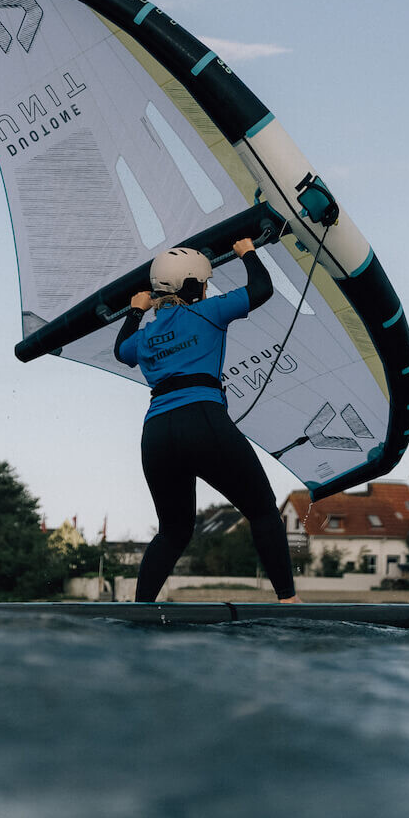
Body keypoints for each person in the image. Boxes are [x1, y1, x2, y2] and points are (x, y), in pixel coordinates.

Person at [114, 238, 300, 604]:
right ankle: (288, 600)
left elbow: (123, 352)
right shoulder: (207, 311)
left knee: (173, 531)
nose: (207, 288)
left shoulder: (145, 335)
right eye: (203, 282)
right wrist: (247, 249)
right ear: (191, 286)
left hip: (156, 434)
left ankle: (142, 609)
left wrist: (135, 311)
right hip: (201, 420)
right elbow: (261, 289)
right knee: (263, 510)